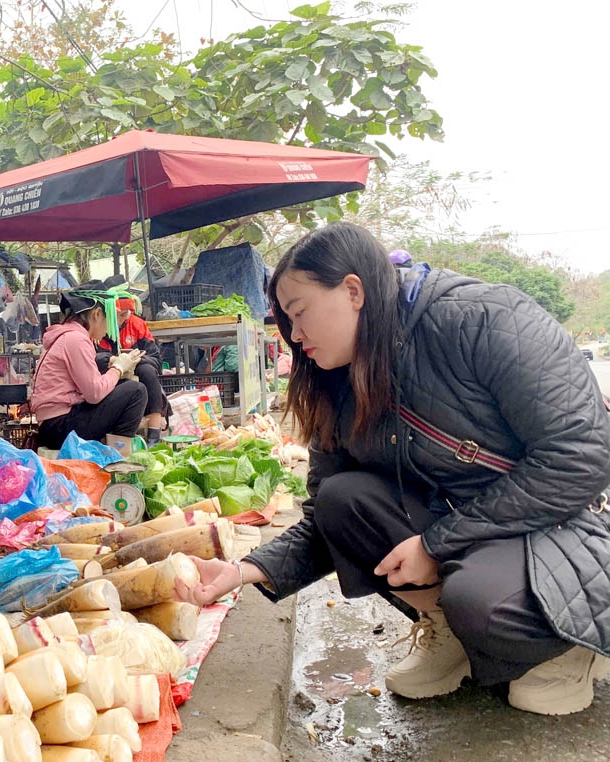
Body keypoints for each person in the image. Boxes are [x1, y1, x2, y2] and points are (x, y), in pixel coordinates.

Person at [174, 223, 610, 716]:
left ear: (353, 290)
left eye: (299, 314)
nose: (295, 336)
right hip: (467, 524)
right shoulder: (335, 377)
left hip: (561, 520)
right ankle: (454, 634)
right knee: (344, 499)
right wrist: (241, 570)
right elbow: (324, 517)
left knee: (482, 604)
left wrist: (434, 544)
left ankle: (571, 643)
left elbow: (581, 456)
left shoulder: (483, 318)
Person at [30, 287, 147, 448]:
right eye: (109, 321)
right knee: (136, 391)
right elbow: (95, 393)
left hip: (54, 424)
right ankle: (120, 455)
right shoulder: (76, 339)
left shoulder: (69, 336)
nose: (108, 329)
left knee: (125, 386)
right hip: (59, 427)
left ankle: (112, 449)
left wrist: (117, 370)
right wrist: (118, 368)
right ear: (97, 315)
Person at [95, 295, 167, 445]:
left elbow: (156, 360)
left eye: (125, 315)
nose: (123, 320)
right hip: (107, 375)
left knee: (147, 371)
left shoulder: (137, 325)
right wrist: (113, 360)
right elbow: (91, 358)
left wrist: (136, 359)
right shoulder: (98, 327)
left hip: (138, 371)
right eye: (119, 315)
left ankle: (154, 436)